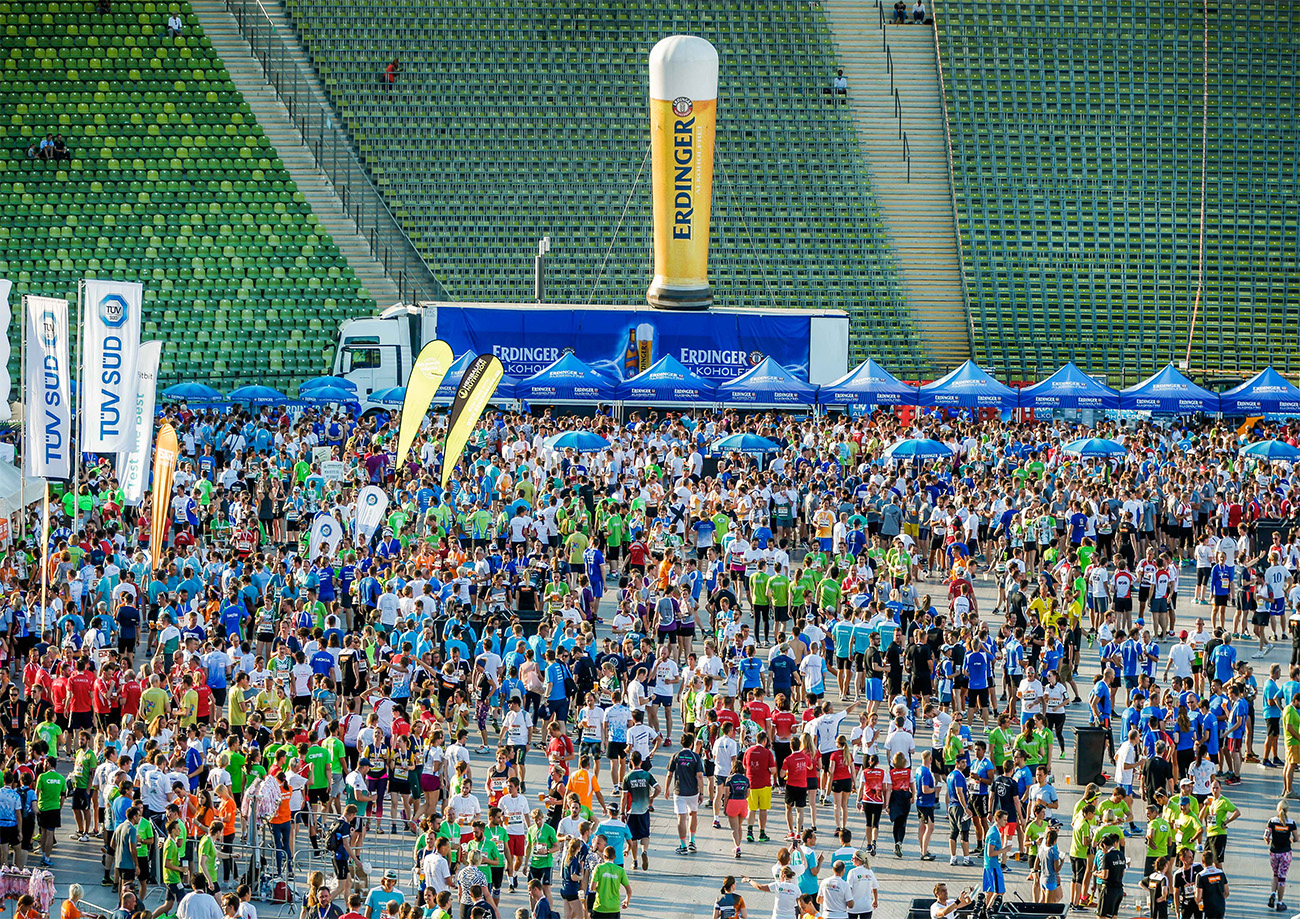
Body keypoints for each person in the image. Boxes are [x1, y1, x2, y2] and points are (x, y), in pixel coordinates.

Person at [1266, 801, 1298, 912]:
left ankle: (1273, 893)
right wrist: (1291, 840)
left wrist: (1267, 840)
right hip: (1285, 853)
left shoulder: (1272, 821)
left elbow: (1266, 835)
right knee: (1282, 878)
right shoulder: (1291, 822)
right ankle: (1279, 903)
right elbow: (1296, 838)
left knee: (1275, 874)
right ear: (1287, 809)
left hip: (1274, 852)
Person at [1194, 849, 1229, 919]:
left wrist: (1197, 901)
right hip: (1220, 907)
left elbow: (1198, 897)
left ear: (1202, 862)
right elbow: (1227, 892)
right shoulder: (1221, 873)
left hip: (1208, 908)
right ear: (1213, 861)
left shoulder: (1201, 875)